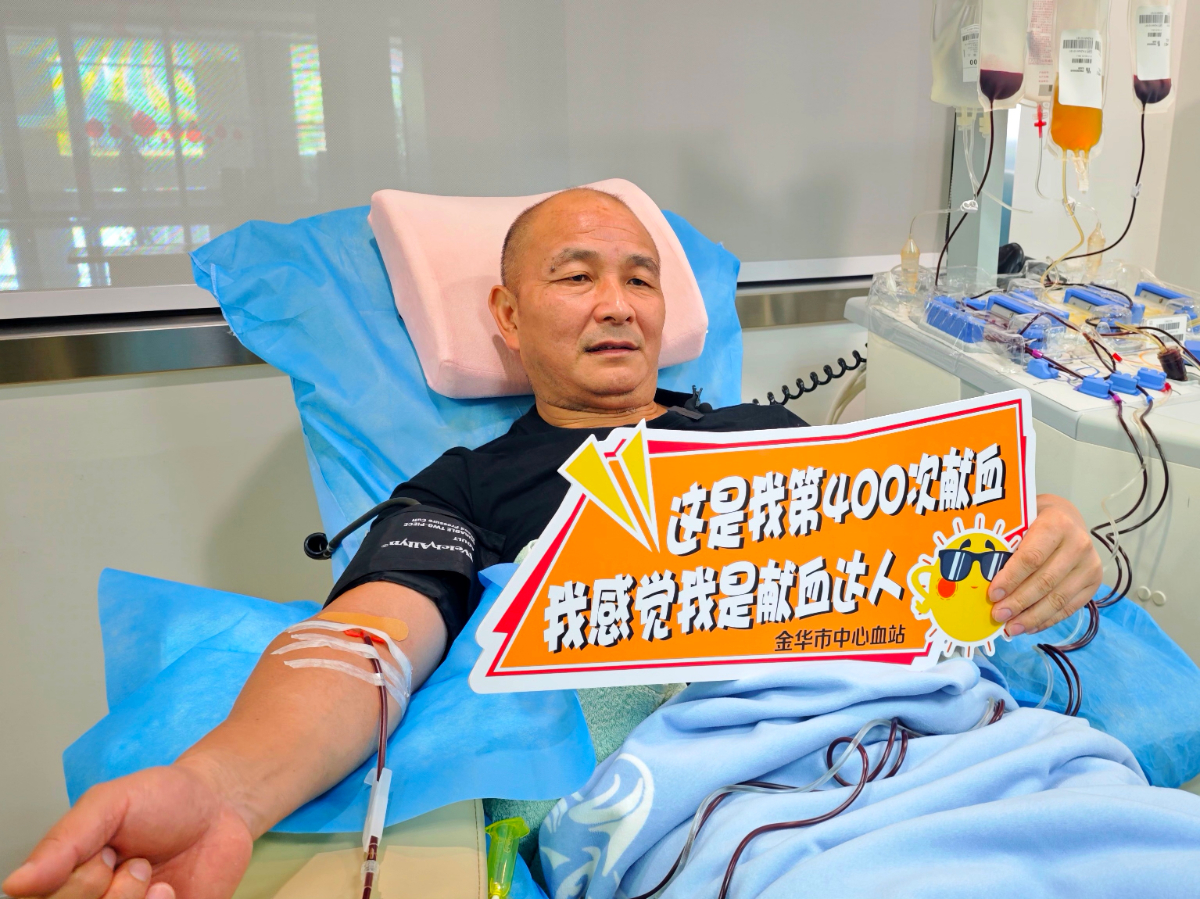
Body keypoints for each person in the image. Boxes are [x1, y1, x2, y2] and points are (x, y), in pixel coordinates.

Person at [4, 188, 1104, 899]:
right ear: (507, 314)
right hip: (742, 800)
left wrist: (1041, 541)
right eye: (576, 276)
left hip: (963, 754)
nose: (616, 304)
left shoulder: (766, 432)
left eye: (640, 278)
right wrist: (225, 789)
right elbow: (371, 635)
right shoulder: (465, 485)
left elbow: (924, 576)